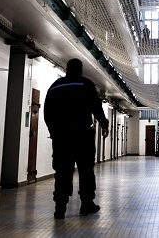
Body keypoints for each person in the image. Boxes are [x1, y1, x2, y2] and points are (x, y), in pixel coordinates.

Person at [43, 58, 109, 219]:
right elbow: (96, 106)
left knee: (62, 172)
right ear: (80, 69)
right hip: (82, 135)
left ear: (66, 68)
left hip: (62, 137)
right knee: (86, 170)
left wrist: (53, 130)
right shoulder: (86, 84)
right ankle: (86, 204)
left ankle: (60, 207)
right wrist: (104, 124)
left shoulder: (55, 86)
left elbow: (47, 111)